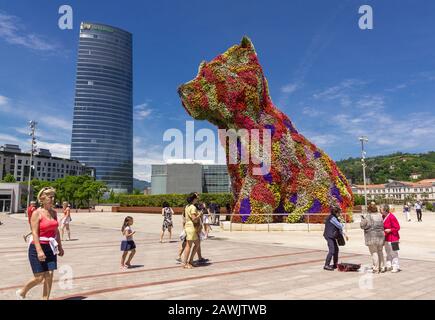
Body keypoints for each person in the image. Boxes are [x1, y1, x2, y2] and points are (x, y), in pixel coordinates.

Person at [16, 187, 64, 300]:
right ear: (42, 198)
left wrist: (60, 246)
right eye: (50, 196)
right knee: (39, 277)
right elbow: (34, 233)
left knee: (50, 274)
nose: (52, 199)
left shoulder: (54, 213)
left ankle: (45, 299)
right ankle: (22, 292)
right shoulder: (36, 213)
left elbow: (56, 231)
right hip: (37, 248)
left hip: (51, 249)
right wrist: (39, 250)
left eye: (53, 196)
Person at [360, 203, 386, 273]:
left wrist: (362, 219)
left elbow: (362, 225)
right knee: (380, 251)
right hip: (381, 235)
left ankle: (376, 268)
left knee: (374, 252)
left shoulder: (368, 216)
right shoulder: (380, 216)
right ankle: (382, 267)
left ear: (369, 209)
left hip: (372, 236)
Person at [323, 206, 348, 271]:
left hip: (332, 236)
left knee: (336, 249)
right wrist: (342, 223)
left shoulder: (334, 217)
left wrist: (344, 234)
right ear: (336, 212)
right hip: (329, 236)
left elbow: (339, 228)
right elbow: (340, 226)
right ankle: (326, 265)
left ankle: (335, 264)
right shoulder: (332, 218)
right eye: (339, 212)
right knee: (332, 250)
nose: (340, 214)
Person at [182, 193, 201, 269]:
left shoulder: (187, 206)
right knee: (188, 246)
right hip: (191, 227)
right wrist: (199, 215)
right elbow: (194, 219)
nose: (197, 199)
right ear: (194, 199)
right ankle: (185, 263)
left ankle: (191, 261)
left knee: (197, 243)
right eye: (196, 198)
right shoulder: (192, 207)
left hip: (188, 226)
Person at [381, 204, 401, 273]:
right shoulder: (383, 216)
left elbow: (397, 227)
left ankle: (396, 266)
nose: (380, 210)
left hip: (394, 238)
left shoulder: (392, 217)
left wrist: (390, 230)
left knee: (394, 253)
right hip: (386, 238)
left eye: (381, 209)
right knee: (388, 252)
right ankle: (389, 265)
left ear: (385, 210)